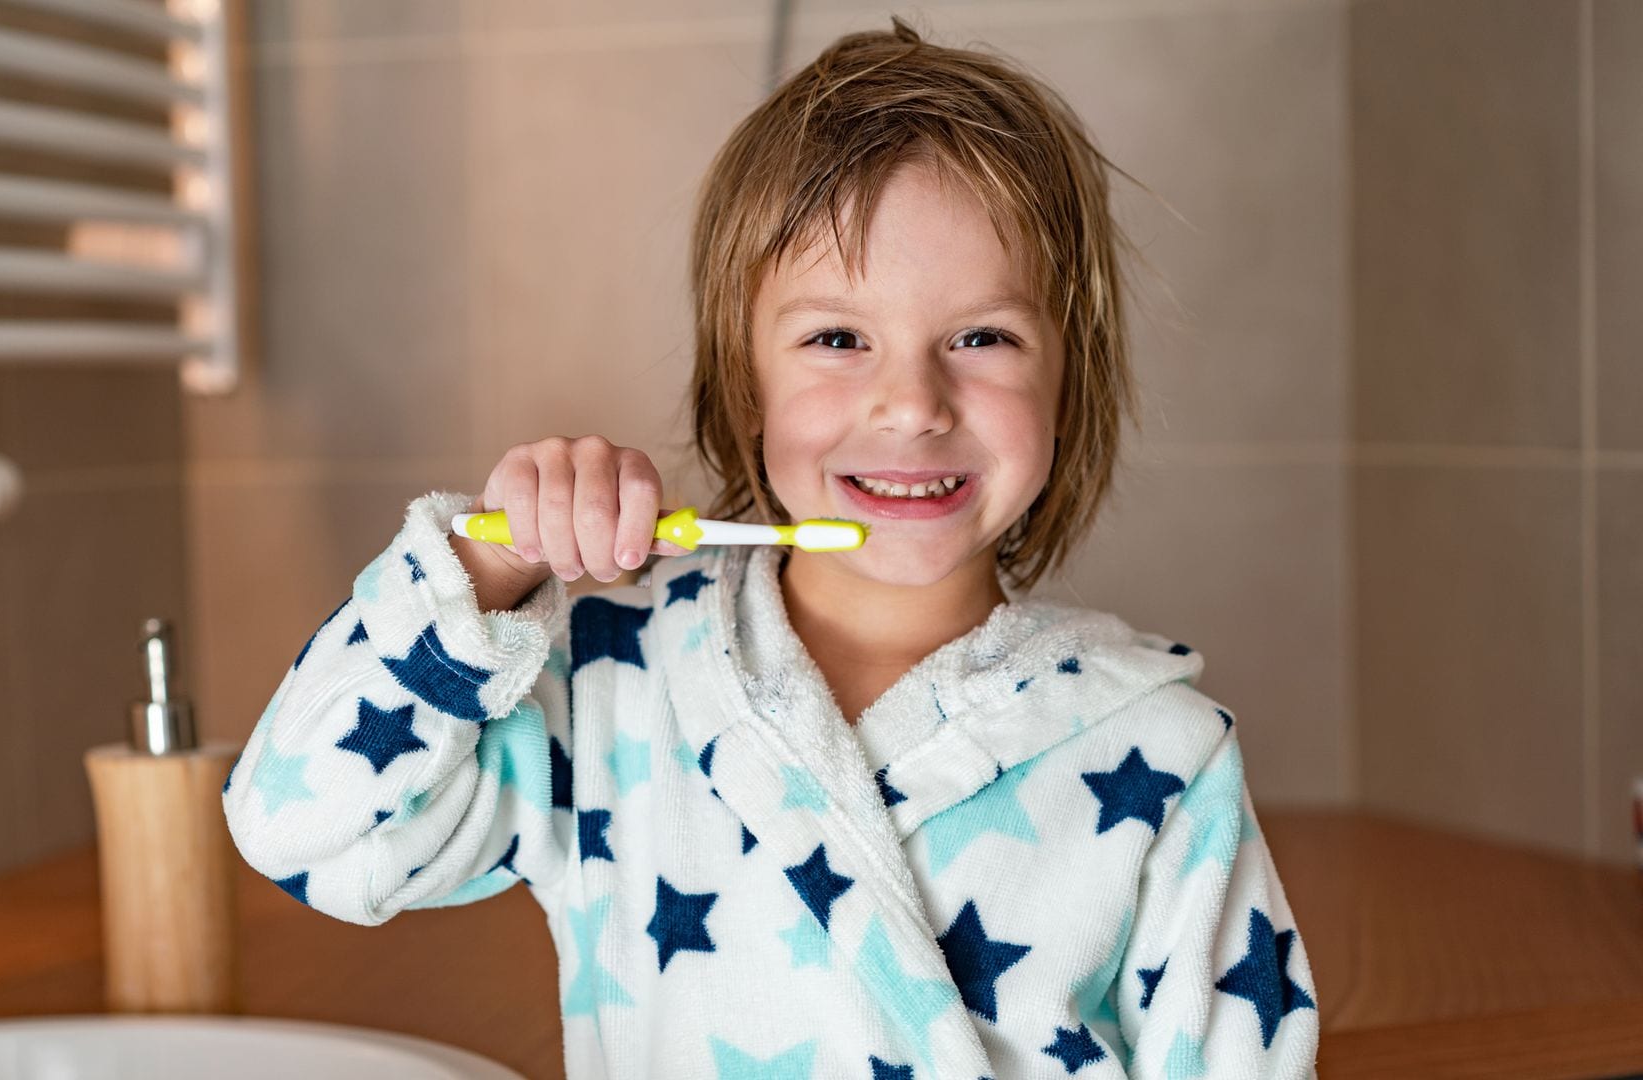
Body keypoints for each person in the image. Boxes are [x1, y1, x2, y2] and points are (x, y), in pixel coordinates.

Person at [223, 16, 1319, 1079]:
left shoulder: (1160, 751)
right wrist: (482, 571)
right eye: (838, 338)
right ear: (745, 385)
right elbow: (299, 832)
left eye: (982, 337)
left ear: (1066, 382)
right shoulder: (610, 684)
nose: (910, 403)